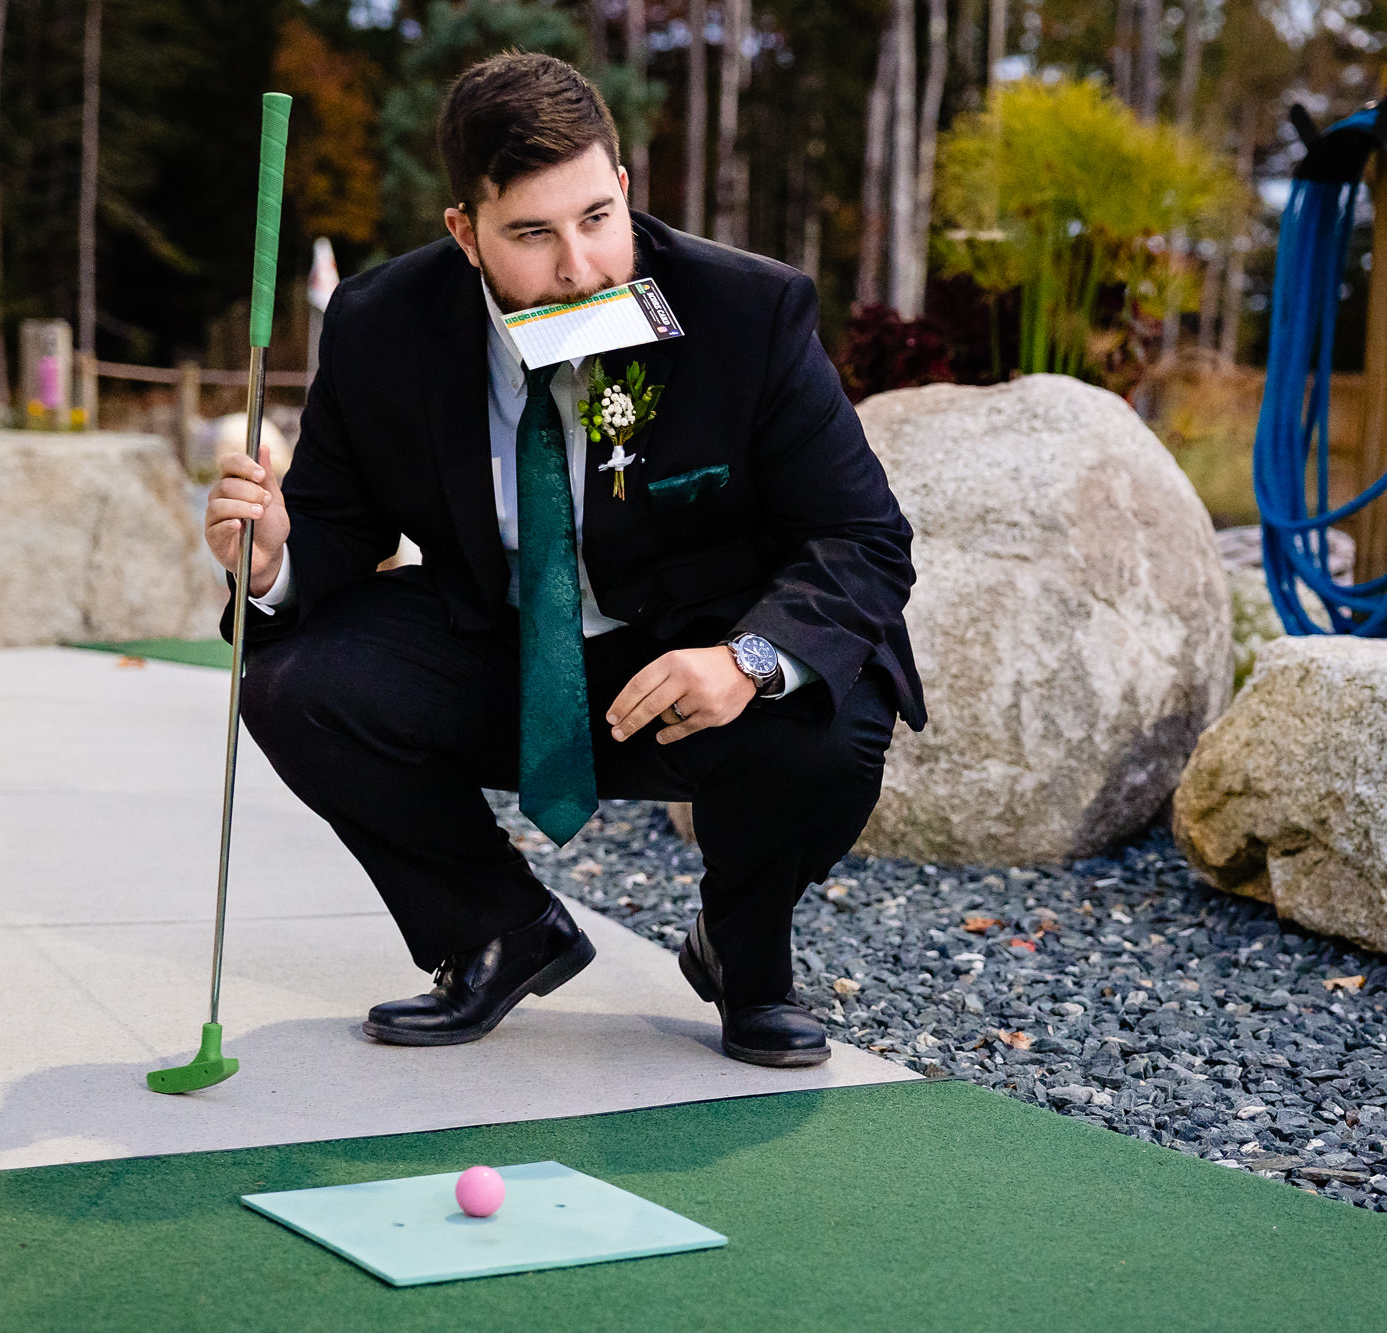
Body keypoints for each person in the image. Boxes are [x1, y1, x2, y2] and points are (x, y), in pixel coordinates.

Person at [204, 52, 926, 1068]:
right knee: (293, 684)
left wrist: (748, 659)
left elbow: (861, 540)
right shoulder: (380, 327)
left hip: (689, 659)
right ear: (465, 233)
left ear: (623, 188)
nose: (579, 265)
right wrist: (273, 554)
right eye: (532, 235)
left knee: (835, 719)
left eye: (596, 217)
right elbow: (332, 528)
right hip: (500, 645)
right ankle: (495, 929)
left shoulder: (746, 316)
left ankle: (742, 953)